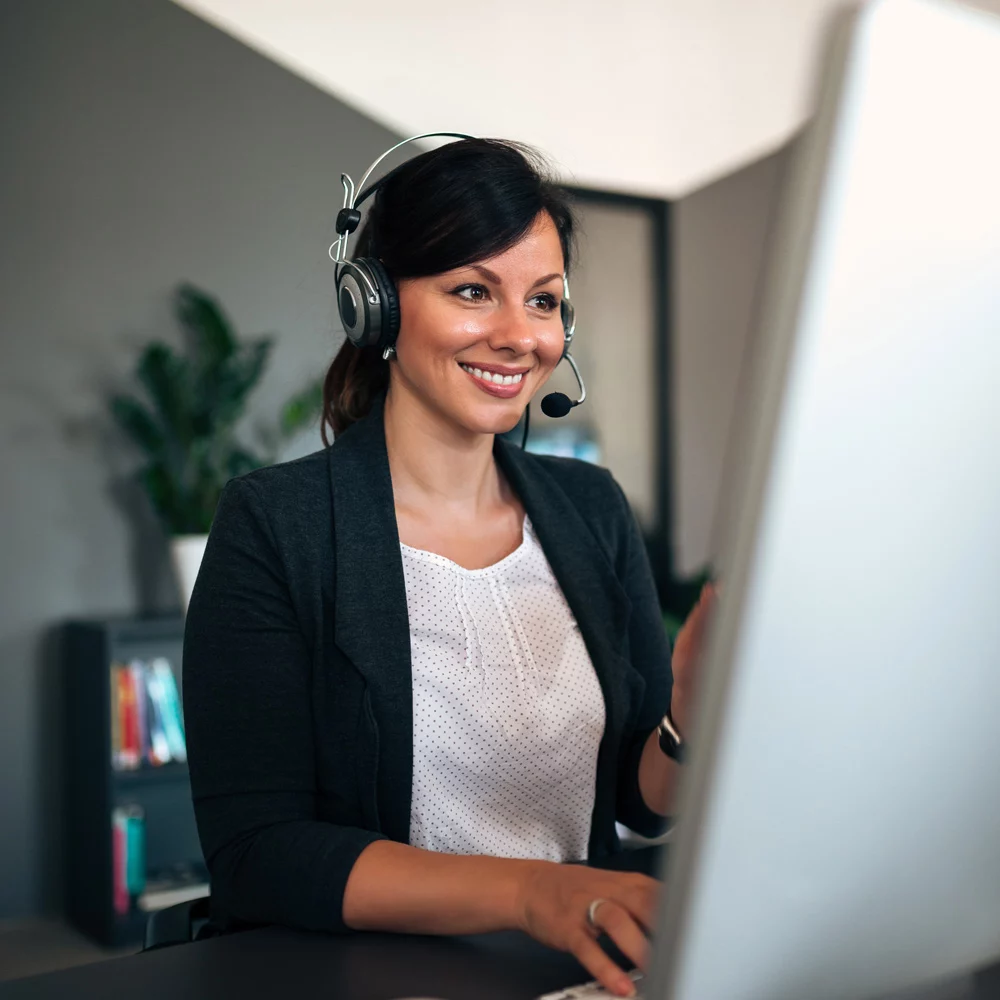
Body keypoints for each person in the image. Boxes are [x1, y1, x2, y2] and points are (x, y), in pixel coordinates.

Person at [183, 137, 715, 999]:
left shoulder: (592, 510)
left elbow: (634, 799)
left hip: (576, 974)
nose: (517, 337)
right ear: (378, 307)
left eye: (543, 302)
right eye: (473, 291)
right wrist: (535, 894)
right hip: (378, 976)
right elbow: (261, 852)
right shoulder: (275, 525)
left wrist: (688, 723)